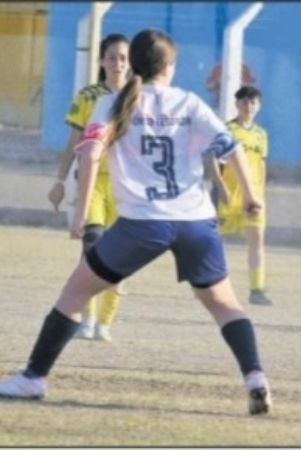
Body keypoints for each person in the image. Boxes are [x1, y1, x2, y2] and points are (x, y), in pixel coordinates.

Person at [0, 29, 272, 415]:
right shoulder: (189, 102)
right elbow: (231, 147)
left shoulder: (113, 103)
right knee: (226, 305)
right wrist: (251, 195)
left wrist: (80, 214)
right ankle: (255, 377)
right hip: (195, 221)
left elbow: (91, 155)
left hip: (142, 223)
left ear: (134, 64)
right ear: (170, 66)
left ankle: (32, 378)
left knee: (75, 294)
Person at [47, 33, 130, 342]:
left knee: (121, 255)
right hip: (91, 182)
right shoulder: (88, 96)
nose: (118, 63)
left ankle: (105, 322)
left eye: (123, 57)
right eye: (112, 57)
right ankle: (88, 317)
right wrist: (59, 180)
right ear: (101, 61)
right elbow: (74, 142)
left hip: (125, 187)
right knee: (93, 249)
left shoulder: (138, 97)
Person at [214, 86, 272, 306]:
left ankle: (257, 289)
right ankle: (212, 283)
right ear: (237, 105)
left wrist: (261, 194)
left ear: (259, 106)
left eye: (253, 103)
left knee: (257, 239)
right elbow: (214, 160)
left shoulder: (261, 134)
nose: (249, 107)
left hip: (254, 197)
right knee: (215, 241)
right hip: (230, 196)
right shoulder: (227, 130)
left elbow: (262, 164)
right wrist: (221, 188)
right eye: (245, 102)